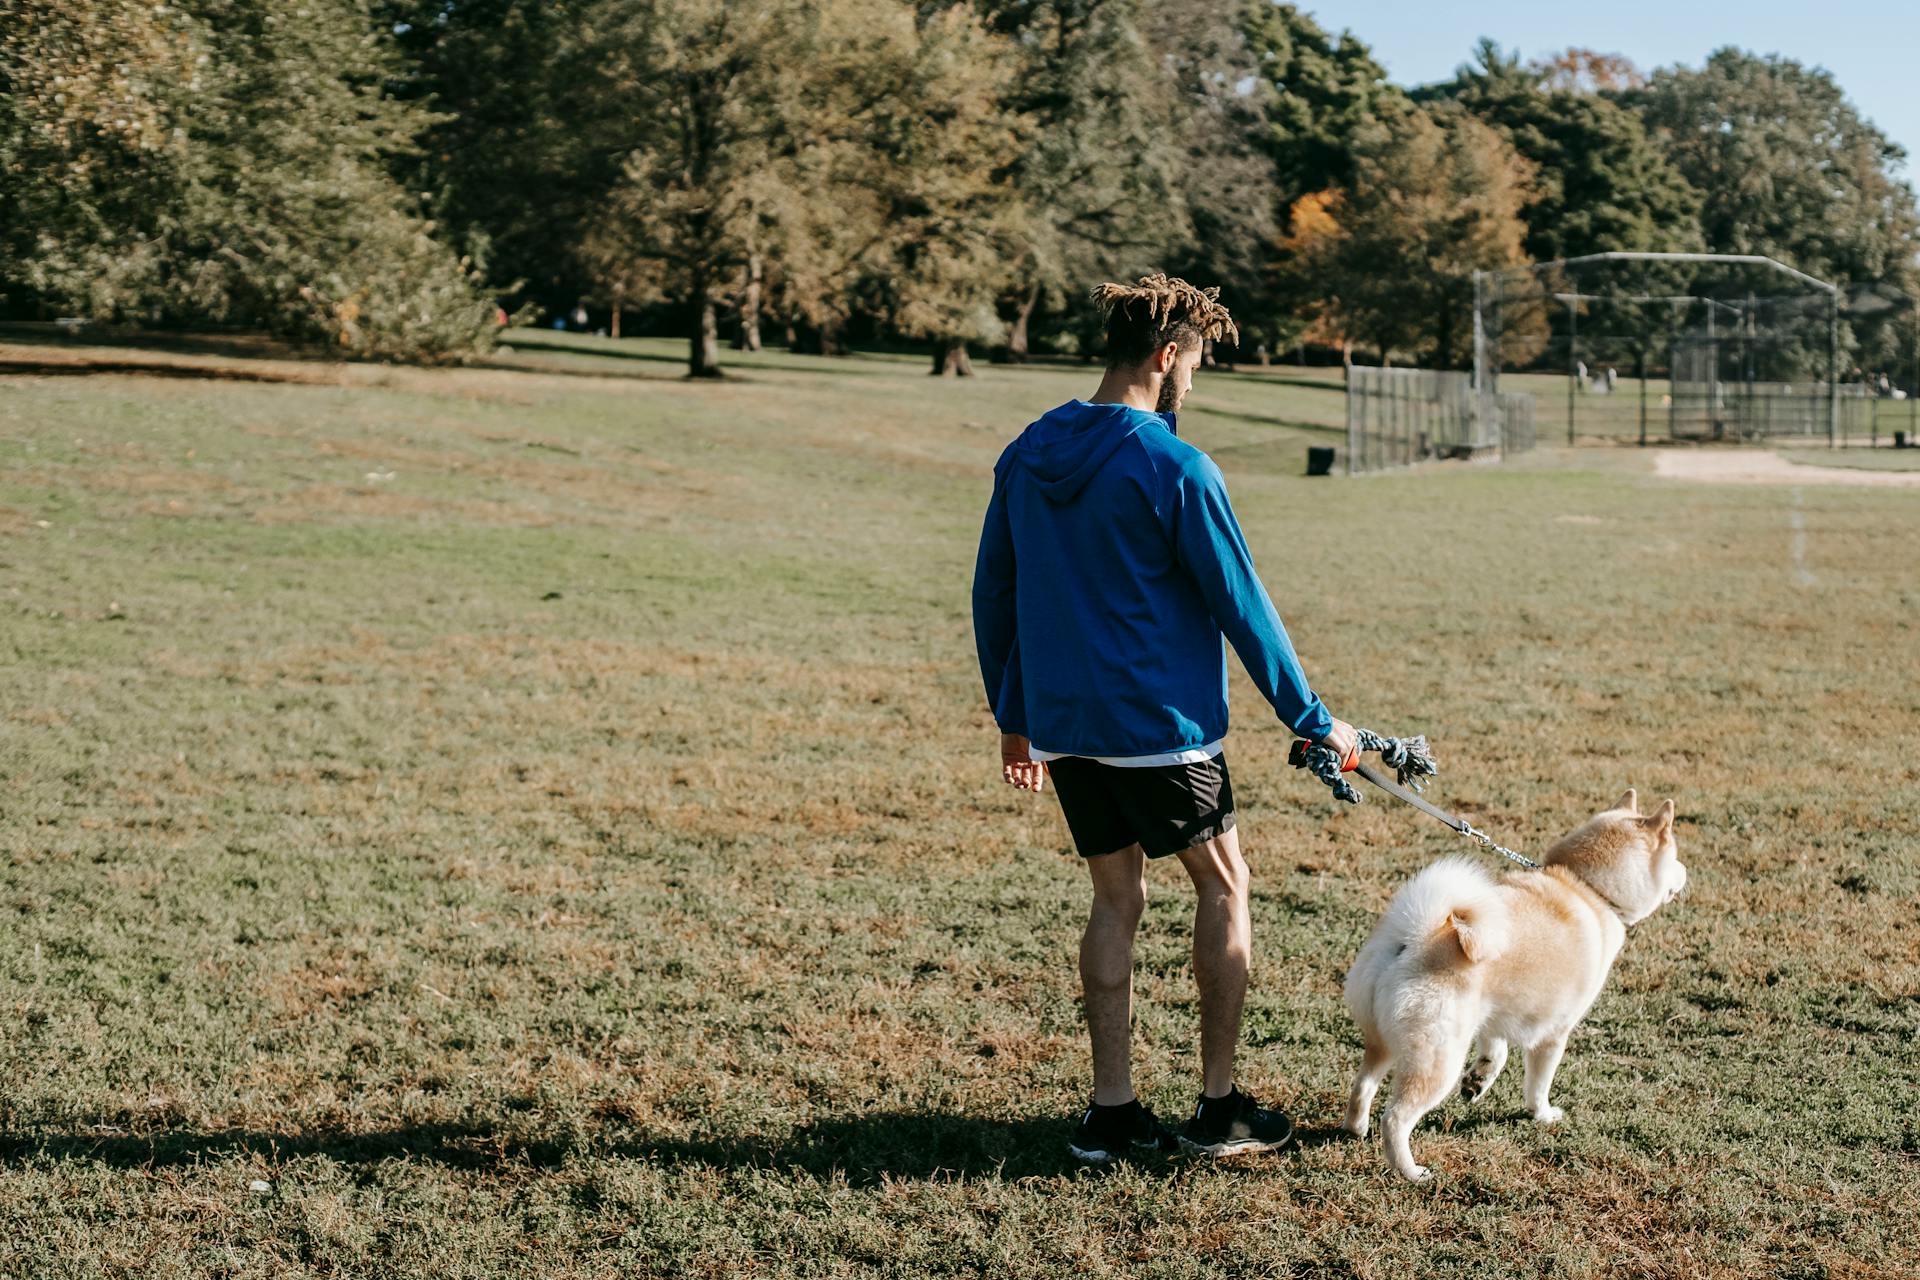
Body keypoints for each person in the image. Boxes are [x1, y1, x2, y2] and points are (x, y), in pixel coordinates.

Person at [971, 273, 1357, 1165]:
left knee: (1116, 897)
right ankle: (1219, 1110)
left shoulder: (1029, 449)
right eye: (1196, 365)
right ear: (1166, 355)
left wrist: (1015, 717)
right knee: (1223, 886)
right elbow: (1243, 604)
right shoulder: (1175, 465)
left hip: (1066, 726)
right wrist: (1312, 718)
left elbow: (996, 591)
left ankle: (1113, 1115)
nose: (1195, 383)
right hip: (1161, 731)